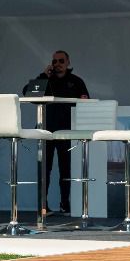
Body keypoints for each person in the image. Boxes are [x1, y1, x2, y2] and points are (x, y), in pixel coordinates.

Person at [36, 50, 89, 214]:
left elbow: (86, 100)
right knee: (45, 168)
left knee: (66, 169)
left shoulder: (76, 81)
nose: (57, 64)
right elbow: (28, 92)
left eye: (61, 61)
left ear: (68, 62)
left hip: (67, 132)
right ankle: (43, 206)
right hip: (46, 131)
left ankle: (65, 203)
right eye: (54, 61)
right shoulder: (46, 80)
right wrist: (43, 75)